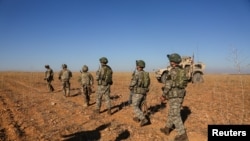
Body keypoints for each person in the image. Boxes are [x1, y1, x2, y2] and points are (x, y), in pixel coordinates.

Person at [160, 53, 189, 141]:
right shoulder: (182, 70)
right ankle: (167, 128)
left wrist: (163, 95)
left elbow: (168, 85)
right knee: (172, 112)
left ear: (173, 62)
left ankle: (182, 134)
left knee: (175, 114)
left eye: (170, 60)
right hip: (180, 95)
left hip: (174, 95)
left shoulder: (173, 71)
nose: (169, 62)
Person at [129, 60, 150, 127]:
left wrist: (130, 86)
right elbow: (148, 83)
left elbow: (134, 82)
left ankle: (143, 119)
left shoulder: (137, 74)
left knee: (135, 105)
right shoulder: (146, 73)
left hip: (138, 92)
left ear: (138, 66)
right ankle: (138, 117)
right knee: (140, 105)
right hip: (144, 92)